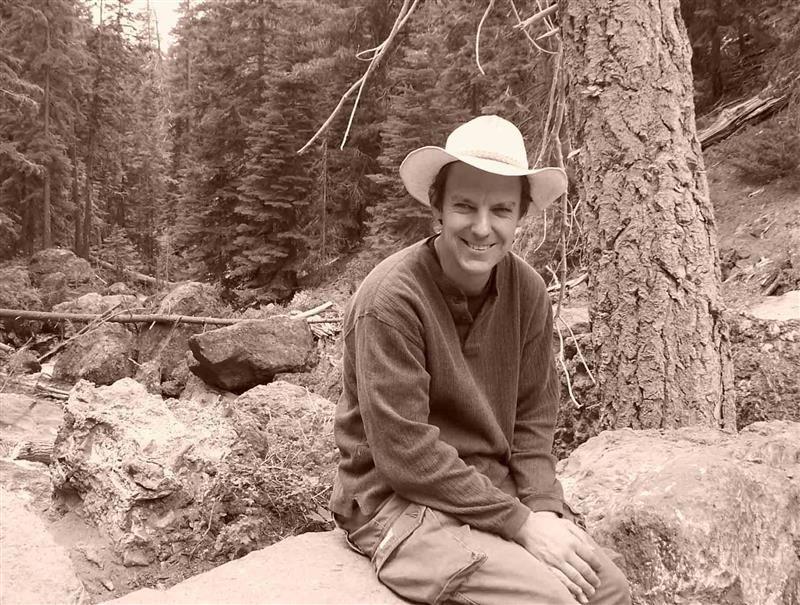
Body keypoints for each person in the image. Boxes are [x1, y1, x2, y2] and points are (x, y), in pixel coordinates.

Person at [330, 115, 631, 605]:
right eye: (465, 206)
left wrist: (544, 512)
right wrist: (520, 524)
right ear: (439, 206)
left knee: (609, 591)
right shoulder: (390, 300)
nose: (483, 227)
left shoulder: (528, 291)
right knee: (551, 599)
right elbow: (404, 453)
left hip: (491, 492)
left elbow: (532, 421)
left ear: (521, 215)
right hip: (397, 503)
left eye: (502, 210)